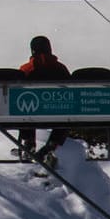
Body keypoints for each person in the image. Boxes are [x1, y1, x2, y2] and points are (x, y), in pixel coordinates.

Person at [17, 35, 71, 163]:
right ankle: (52, 145)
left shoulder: (27, 69)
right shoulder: (60, 69)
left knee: (23, 108)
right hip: (58, 110)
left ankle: (28, 142)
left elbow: (18, 91)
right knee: (68, 115)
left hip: (32, 111)